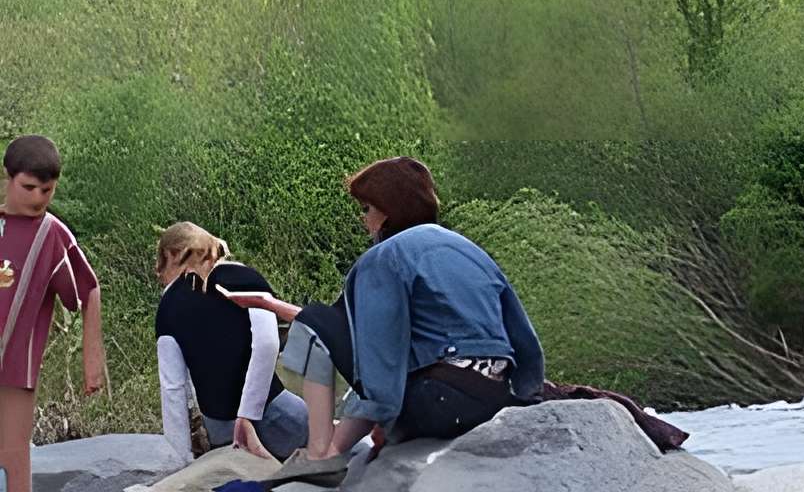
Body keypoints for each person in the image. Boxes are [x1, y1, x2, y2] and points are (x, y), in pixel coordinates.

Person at [291, 159, 540, 459]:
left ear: (387, 211)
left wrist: (381, 422)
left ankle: (320, 454)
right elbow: (525, 339)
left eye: (366, 209)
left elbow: (381, 353)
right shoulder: (471, 250)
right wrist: (528, 392)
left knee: (315, 322)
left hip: (438, 402)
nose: (363, 219)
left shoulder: (384, 258)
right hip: (494, 398)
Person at [149, 224, 308, 463]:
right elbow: (267, 344)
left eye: (160, 259)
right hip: (281, 418)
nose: (157, 271)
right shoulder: (242, 275)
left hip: (224, 434)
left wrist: (181, 461)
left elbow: (173, 389)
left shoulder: (167, 308)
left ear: (173, 255)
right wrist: (248, 413)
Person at [0, 135, 104, 492]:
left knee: (12, 457)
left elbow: (88, 288)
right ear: (8, 178)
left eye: (47, 190)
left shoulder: (51, 233)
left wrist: (92, 358)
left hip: (15, 369)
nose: (38, 198)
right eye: (29, 187)